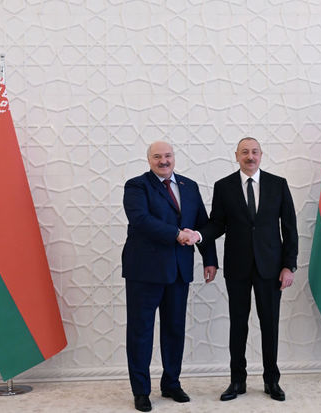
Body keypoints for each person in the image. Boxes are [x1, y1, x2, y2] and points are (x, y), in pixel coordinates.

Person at [194, 137, 298, 402]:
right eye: (244, 152)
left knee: (270, 325)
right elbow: (217, 224)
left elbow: (289, 228)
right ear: (236, 156)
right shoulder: (224, 186)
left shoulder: (278, 184)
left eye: (254, 152)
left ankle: (271, 381)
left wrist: (289, 265)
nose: (250, 156)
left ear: (261, 155)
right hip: (237, 267)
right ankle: (237, 381)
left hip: (271, 268)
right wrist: (198, 235)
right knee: (238, 325)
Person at [122, 141, 218, 412]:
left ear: (174, 157)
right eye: (157, 157)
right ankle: (141, 391)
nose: (163, 161)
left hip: (178, 270)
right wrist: (176, 234)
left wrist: (209, 259)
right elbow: (141, 220)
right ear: (149, 159)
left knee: (174, 329)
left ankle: (171, 383)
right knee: (140, 332)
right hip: (145, 271)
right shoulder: (137, 186)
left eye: (167, 156)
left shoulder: (189, 186)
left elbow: (201, 224)